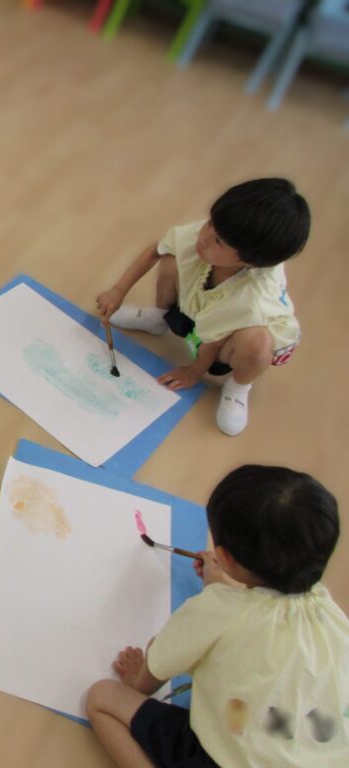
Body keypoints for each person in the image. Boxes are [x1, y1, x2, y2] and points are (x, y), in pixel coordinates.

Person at [86, 465, 348, 768]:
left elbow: (151, 674)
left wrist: (135, 678)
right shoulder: (330, 613)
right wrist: (221, 587)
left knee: (102, 698)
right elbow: (261, 611)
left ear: (224, 557)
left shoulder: (214, 611)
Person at [95, 178, 310, 436]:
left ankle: (237, 389)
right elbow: (155, 252)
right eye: (210, 223)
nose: (204, 238)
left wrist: (192, 373)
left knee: (258, 343)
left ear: (250, 262)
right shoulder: (214, 236)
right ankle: (157, 319)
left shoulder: (250, 299)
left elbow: (213, 344)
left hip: (230, 344)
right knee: (174, 256)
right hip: (201, 310)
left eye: (218, 241)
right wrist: (118, 291)